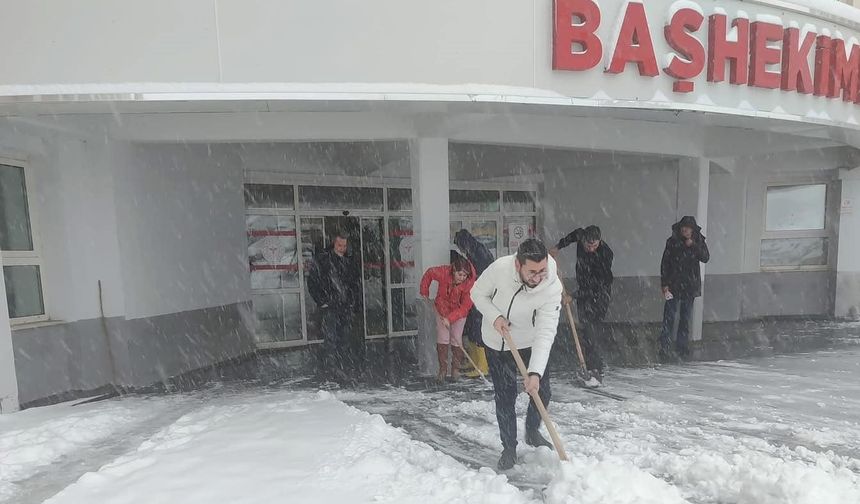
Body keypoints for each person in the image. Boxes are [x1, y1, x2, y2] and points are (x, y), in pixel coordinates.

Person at [471, 239, 563, 471]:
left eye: (542, 270)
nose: (538, 276)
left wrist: (535, 372)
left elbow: (546, 330)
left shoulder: (551, 285)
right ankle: (509, 448)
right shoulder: (500, 269)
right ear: (517, 266)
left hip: (530, 341)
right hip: (498, 341)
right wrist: (494, 316)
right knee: (505, 395)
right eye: (532, 271)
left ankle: (532, 431)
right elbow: (477, 294)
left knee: (542, 389)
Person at [550, 225, 614, 378]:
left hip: (599, 295)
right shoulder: (580, 236)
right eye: (588, 245)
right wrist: (557, 247)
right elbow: (573, 236)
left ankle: (596, 368)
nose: (591, 249)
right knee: (585, 330)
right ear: (583, 240)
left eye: (594, 245)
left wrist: (573, 295)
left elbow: (596, 285)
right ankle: (589, 364)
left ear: (599, 242)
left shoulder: (605, 254)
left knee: (592, 331)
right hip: (583, 291)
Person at [307, 231, 364, 383]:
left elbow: (355, 284)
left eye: (344, 245)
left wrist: (355, 304)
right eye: (339, 245)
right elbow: (312, 283)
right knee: (331, 338)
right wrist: (322, 301)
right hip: (331, 306)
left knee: (344, 337)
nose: (342, 248)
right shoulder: (323, 261)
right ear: (334, 243)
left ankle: (340, 366)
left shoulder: (350, 261)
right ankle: (331, 367)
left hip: (345, 306)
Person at [659, 216, 710, 360]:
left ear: (692, 230)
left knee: (685, 317)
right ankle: (665, 346)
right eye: (682, 229)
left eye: (687, 229)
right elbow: (665, 263)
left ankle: (682, 346)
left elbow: (705, 257)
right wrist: (665, 284)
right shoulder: (672, 241)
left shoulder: (698, 240)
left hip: (689, 285)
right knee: (669, 317)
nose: (684, 231)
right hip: (674, 284)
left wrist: (693, 245)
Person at [420, 254, 476, 381]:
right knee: (443, 338)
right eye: (459, 274)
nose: (462, 278)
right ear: (453, 271)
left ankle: (455, 370)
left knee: (456, 339)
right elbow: (429, 273)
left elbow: (465, 307)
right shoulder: (443, 272)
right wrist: (424, 292)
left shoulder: (470, 284)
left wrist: (450, 319)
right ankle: (443, 370)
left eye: (464, 275)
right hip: (442, 308)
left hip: (459, 312)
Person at [453, 229, 495, 377]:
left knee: (478, 328)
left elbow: (482, 276)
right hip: (475, 294)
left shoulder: (480, 253)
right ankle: (474, 360)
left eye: (460, 246)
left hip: (483, 296)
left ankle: (483, 366)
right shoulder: (473, 250)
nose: (461, 250)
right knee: (471, 327)